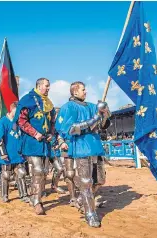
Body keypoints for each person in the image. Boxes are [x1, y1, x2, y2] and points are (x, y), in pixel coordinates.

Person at [56, 81, 110, 228]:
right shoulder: (69, 107)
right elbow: (70, 129)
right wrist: (93, 119)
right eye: (83, 90)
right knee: (86, 182)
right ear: (75, 92)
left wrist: (104, 113)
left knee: (100, 180)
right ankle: (90, 214)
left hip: (95, 146)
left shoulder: (92, 106)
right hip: (81, 147)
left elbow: (102, 125)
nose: (85, 92)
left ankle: (81, 199)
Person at [14, 77, 56, 215]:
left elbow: (53, 122)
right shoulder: (28, 99)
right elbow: (21, 120)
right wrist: (34, 133)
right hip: (32, 141)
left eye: (49, 86)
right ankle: (37, 202)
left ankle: (34, 195)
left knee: (44, 172)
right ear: (38, 86)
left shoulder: (49, 103)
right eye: (46, 86)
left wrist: (51, 133)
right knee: (38, 169)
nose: (49, 88)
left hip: (45, 142)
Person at [0, 102, 29, 203]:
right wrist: (3, 153)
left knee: (21, 173)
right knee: (6, 175)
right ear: (12, 109)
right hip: (7, 154)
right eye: (17, 111)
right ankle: (4, 195)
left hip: (18, 154)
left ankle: (24, 194)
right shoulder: (3, 122)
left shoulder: (18, 122)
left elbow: (22, 137)